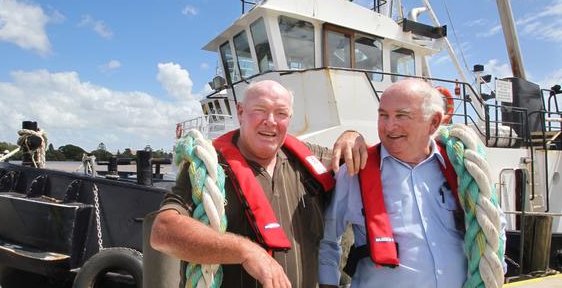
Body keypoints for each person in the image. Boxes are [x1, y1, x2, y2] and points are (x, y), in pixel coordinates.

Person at [150, 80, 365, 288]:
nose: (270, 120)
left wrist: (352, 136)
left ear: (289, 118)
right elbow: (163, 231)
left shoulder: (311, 160)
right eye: (260, 110)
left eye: (281, 113)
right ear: (240, 112)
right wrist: (245, 251)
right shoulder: (208, 169)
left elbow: (374, 160)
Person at [318, 79, 506, 288]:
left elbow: (495, 226)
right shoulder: (355, 173)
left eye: (401, 115)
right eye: (383, 115)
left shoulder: (461, 169)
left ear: (434, 122)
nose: (389, 127)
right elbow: (327, 242)